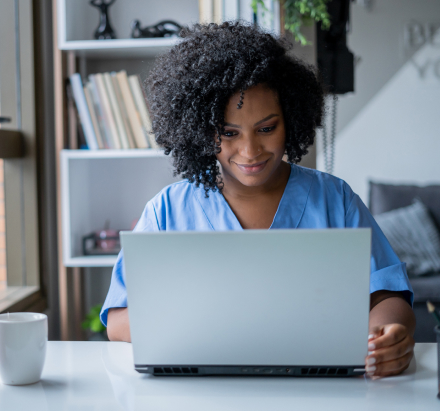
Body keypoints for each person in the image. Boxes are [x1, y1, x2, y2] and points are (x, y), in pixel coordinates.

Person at [101, 22, 415, 378]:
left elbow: (387, 296)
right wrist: (211, 322)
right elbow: (118, 320)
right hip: (200, 396)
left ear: (292, 120)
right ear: (200, 131)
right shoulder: (166, 211)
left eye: (267, 128)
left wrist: (389, 334)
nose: (250, 151)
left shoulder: (335, 199)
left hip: (319, 393)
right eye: (229, 133)